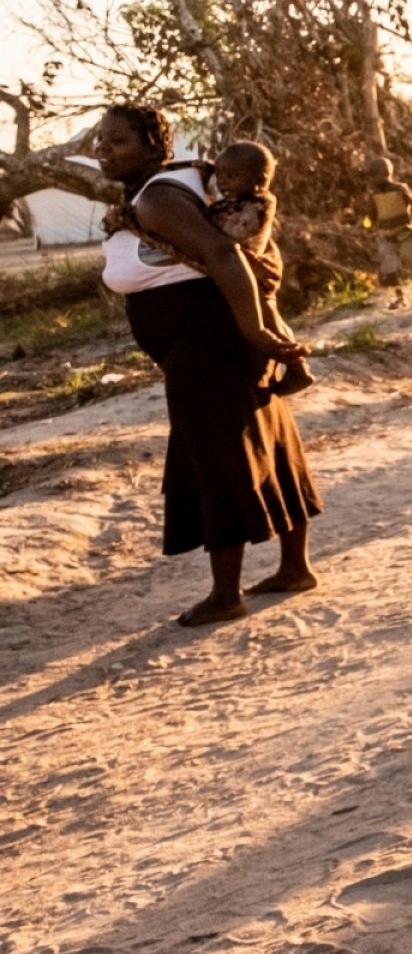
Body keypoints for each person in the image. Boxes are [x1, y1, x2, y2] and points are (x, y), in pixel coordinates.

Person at [91, 103, 319, 627]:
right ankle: (293, 568)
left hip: (210, 345)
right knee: (269, 444)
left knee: (215, 461)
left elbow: (223, 257)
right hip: (219, 341)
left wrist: (256, 332)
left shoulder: (160, 199)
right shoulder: (176, 189)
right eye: (100, 139)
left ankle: (226, 595)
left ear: (154, 147)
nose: (103, 148)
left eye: (118, 140)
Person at [205, 142, 314, 394]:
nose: (222, 182)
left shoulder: (259, 203)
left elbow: (232, 235)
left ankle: (298, 367)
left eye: (231, 176)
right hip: (245, 268)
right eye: (219, 175)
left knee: (268, 318)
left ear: (258, 180)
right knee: (265, 316)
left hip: (257, 271)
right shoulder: (235, 199)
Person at [364, 157, 412, 309]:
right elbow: (371, 216)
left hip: (405, 233)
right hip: (386, 235)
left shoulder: (400, 189)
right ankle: (399, 297)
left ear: (385, 174)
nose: (371, 181)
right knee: (389, 269)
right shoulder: (374, 196)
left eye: (373, 177)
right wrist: (368, 223)